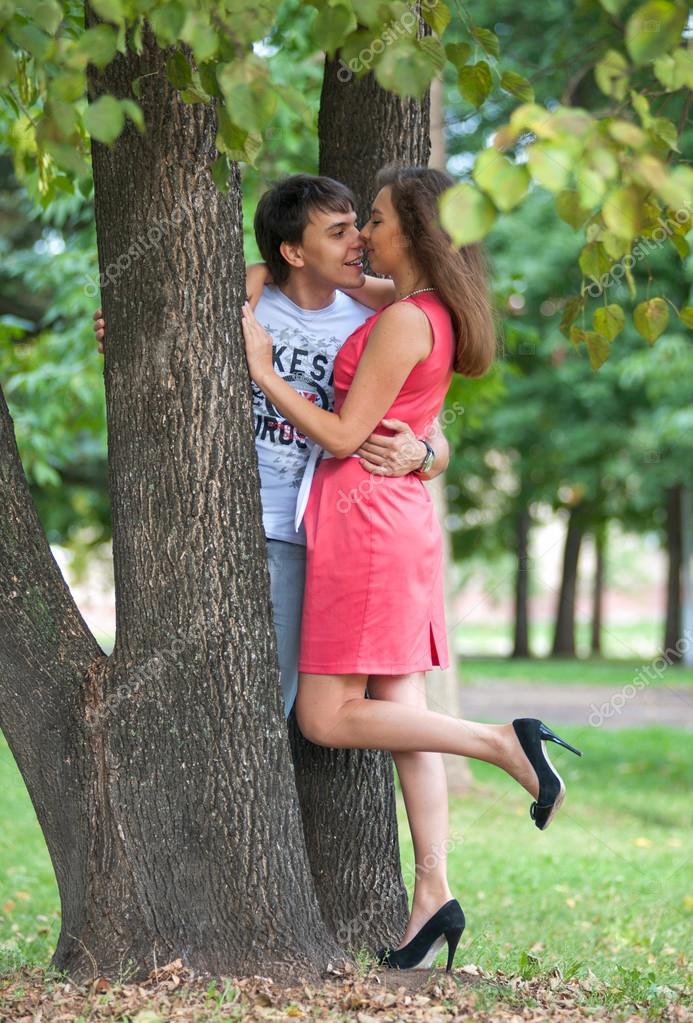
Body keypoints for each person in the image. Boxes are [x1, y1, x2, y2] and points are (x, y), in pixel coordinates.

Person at [241, 165, 583, 973]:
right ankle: (433, 892)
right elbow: (289, 279)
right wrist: (249, 279)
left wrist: (261, 371)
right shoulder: (419, 306)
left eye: (377, 220)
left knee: (325, 717)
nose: (365, 235)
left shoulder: (402, 319)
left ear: (417, 233)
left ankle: (501, 740)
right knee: (402, 713)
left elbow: (342, 435)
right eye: (351, 225)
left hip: (361, 523)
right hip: (393, 518)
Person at [93, 174, 450, 721]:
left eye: (360, 224)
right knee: (204, 698)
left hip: (317, 537)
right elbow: (163, 351)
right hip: (222, 527)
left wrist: (426, 457)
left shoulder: (376, 317)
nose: (358, 239)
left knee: (275, 706)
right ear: (293, 252)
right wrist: (122, 336)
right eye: (338, 232)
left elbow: (426, 424)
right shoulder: (244, 308)